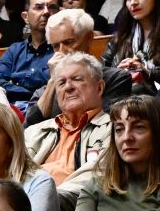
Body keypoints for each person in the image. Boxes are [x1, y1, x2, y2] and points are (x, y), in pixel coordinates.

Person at [24, 52, 115, 193]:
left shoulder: (115, 128)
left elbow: (96, 177)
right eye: (61, 83)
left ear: (99, 88)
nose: (68, 87)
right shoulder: (33, 132)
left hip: (74, 204)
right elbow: (12, 173)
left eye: (77, 79)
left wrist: (47, 198)